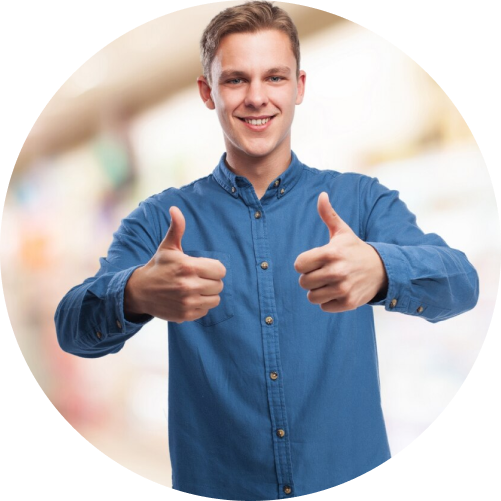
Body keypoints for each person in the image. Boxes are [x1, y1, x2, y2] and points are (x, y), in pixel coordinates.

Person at [55, 2, 479, 499]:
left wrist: (382, 269)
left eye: (274, 78)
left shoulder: (360, 201)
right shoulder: (160, 219)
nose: (257, 98)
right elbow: (71, 327)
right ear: (206, 92)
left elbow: (463, 285)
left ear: (298, 87)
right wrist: (134, 293)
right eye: (235, 80)